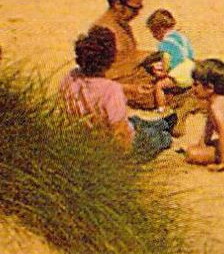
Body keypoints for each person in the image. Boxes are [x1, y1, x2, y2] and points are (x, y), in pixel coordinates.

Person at [59, 27, 175, 161]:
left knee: (136, 120)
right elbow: (121, 138)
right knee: (157, 137)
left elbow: (93, 88)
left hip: (89, 133)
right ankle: (164, 130)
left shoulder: (71, 77)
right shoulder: (111, 91)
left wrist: (131, 89)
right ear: (110, 59)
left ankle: (162, 123)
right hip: (113, 143)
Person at [90, 0, 157, 108]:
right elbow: (93, 80)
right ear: (117, 4)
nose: (138, 13)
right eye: (134, 9)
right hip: (123, 88)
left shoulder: (123, 25)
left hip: (137, 77)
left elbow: (128, 55)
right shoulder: (101, 32)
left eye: (140, 8)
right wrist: (130, 89)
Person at [184, 58, 224, 171]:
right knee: (193, 148)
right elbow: (209, 126)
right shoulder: (215, 101)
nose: (192, 88)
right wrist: (202, 144)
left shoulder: (216, 105)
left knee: (191, 154)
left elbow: (223, 132)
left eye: (196, 85)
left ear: (209, 88)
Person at [146, 8, 196, 88]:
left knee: (158, 86)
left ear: (160, 29)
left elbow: (166, 60)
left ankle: (160, 100)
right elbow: (190, 55)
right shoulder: (182, 37)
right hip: (192, 72)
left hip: (180, 76)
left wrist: (163, 73)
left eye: (153, 32)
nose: (153, 36)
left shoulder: (164, 43)